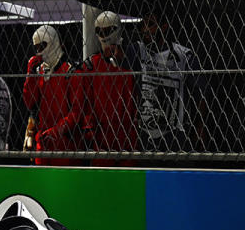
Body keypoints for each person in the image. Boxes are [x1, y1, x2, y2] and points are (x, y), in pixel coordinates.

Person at [127, 13, 202, 153]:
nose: (145, 30)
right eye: (142, 25)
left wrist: (199, 130)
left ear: (164, 27)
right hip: (145, 133)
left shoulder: (184, 55)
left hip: (176, 134)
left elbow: (199, 95)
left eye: (150, 25)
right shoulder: (137, 51)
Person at [22, 25, 86, 166]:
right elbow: (30, 103)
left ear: (52, 42)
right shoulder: (39, 71)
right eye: (37, 47)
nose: (40, 51)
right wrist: (30, 75)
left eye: (42, 46)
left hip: (66, 142)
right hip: (44, 141)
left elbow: (77, 111)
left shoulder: (71, 71)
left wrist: (57, 131)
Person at [82, 11, 138, 166]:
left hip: (128, 136)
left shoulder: (133, 61)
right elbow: (86, 101)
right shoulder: (92, 65)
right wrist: (90, 129)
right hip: (101, 137)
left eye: (107, 31)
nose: (103, 36)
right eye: (100, 31)